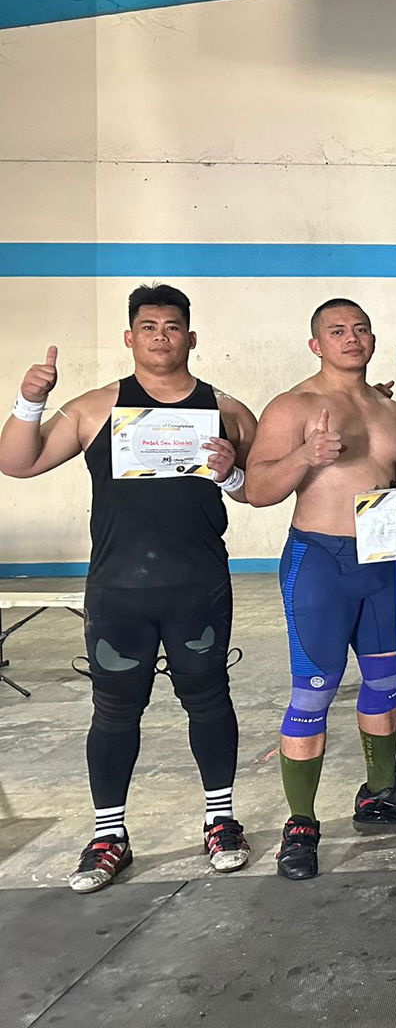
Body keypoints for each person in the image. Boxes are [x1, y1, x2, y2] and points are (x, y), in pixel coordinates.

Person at [0, 285, 256, 893]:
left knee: (209, 700)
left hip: (198, 586)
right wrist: (29, 401)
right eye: (148, 326)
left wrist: (234, 471)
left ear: (190, 337)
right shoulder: (93, 408)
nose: (161, 335)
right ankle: (108, 834)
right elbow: (19, 462)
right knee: (115, 711)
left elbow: (254, 488)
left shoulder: (229, 410)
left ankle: (220, 821)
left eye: (172, 326)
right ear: (130, 337)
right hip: (119, 590)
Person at [246, 298, 396, 881]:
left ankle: (381, 792)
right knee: (312, 693)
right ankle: (301, 824)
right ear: (317, 345)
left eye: (360, 329)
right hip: (321, 561)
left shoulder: (391, 411)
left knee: (386, 685)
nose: (351, 338)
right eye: (337, 331)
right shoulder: (294, 405)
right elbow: (257, 490)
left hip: (383, 565)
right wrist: (305, 456)